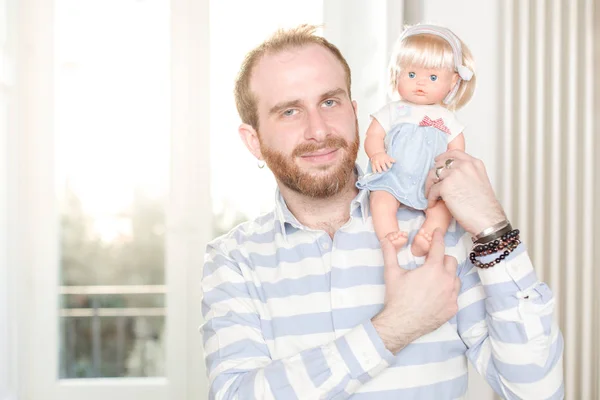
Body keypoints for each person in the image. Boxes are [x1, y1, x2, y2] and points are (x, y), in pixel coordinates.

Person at [200, 25, 564, 399]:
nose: (318, 129)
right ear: (253, 141)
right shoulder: (233, 260)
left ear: (355, 113)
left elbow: (536, 392)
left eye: (329, 102)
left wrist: (493, 228)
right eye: (290, 111)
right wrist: (395, 327)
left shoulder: (438, 236)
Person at [357, 24, 474, 257]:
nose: (420, 83)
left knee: (443, 209)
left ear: (452, 83)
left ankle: (428, 236)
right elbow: (374, 135)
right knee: (380, 201)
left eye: (432, 77)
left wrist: (449, 173)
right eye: (411, 75)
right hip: (393, 174)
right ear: (397, 74)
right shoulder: (394, 110)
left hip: (430, 181)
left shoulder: (446, 118)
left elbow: (457, 152)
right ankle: (389, 236)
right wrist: (377, 154)